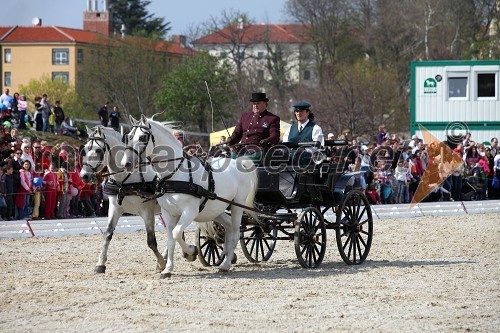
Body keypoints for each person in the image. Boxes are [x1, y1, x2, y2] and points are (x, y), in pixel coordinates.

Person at [227, 92, 280, 163]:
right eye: (254, 104)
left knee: (244, 163)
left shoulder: (272, 118)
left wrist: (267, 140)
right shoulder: (245, 116)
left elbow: (275, 135)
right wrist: (230, 140)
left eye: (258, 103)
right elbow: (237, 133)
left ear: (265, 104)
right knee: (229, 162)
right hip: (241, 150)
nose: (255, 106)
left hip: (258, 150)